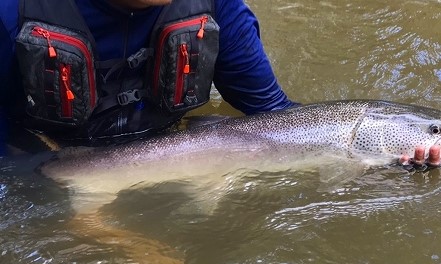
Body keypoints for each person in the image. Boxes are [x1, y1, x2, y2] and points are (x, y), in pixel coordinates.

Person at [0, 0, 295, 153]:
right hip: (46, 172)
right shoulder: (11, 14)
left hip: (165, 167)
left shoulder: (218, 7)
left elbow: (276, 117)